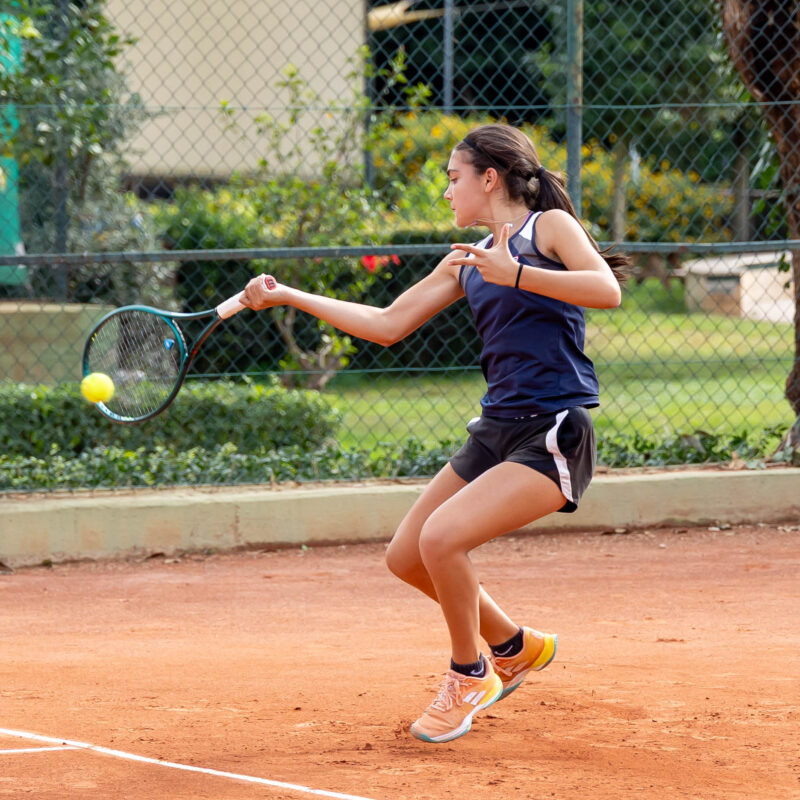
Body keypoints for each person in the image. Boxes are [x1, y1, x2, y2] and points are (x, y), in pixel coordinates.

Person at [241, 123, 630, 743]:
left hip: (552, 429)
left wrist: (519, 275)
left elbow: (604, 289)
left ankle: (469, 672)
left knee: (443, 539)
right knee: (407, 554)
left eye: (454, 179)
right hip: (495, 430)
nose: (447, 192)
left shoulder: (547, 230)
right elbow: (386, 323)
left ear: (490, 178)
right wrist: (289, 296)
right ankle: (511, 645)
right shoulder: (466, 260)